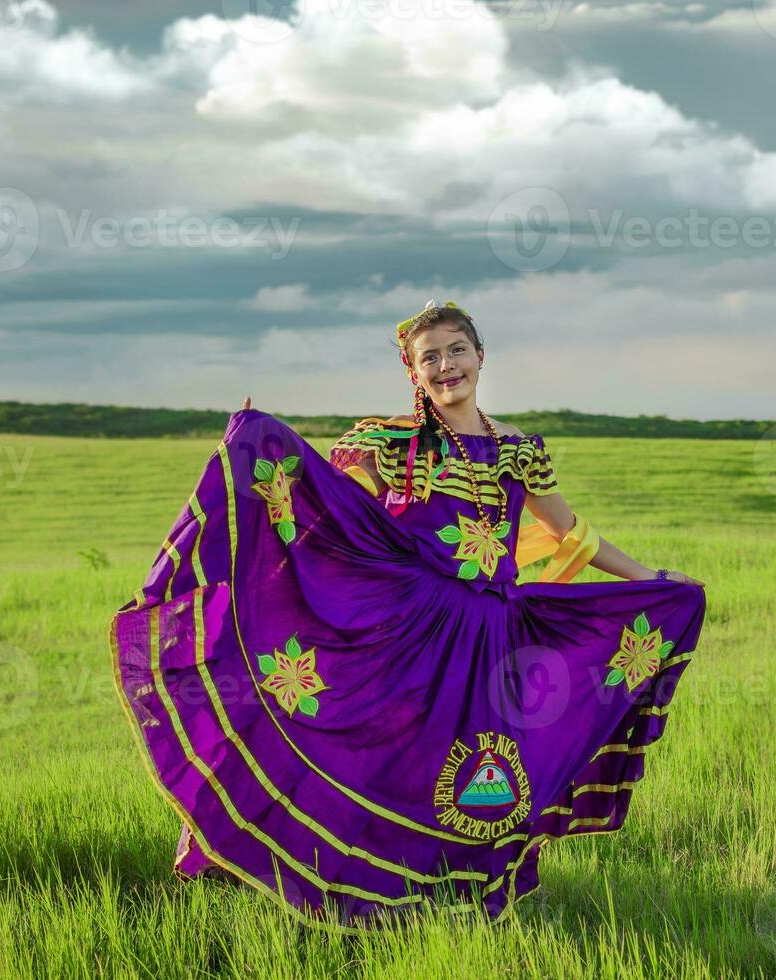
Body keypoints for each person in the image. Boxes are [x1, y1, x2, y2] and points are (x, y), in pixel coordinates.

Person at [111, 300, 707, 931]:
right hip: (410, 627)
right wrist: (265, 446)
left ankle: (458, 895)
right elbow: (340, 503)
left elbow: (566, 531)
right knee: (380, 750)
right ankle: (319, 873)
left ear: (481, 356)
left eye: (457, 351)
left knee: (485, 765)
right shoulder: (393, 442)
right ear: (414, 372)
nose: (446, 366)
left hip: (492, 634)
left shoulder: (521, 450)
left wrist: (652, 579)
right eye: (431, 358)